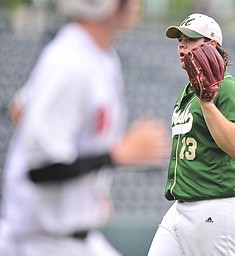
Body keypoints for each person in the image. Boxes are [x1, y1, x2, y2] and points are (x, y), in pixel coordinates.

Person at [0, 0, 169, 255]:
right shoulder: (70, 61)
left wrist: (87, 193)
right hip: (41, 242)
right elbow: (40, 168)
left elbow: (20, 109)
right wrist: (117, 154)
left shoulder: (97, 54)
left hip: (72, 238)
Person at [148, 13, 235, 256]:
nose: (182, 45)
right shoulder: (188, 90)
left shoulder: (228, 88)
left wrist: (207, 102)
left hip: (219, 206)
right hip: (182, 207)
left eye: (191, 39)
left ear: (212, 45)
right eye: (180, 40)